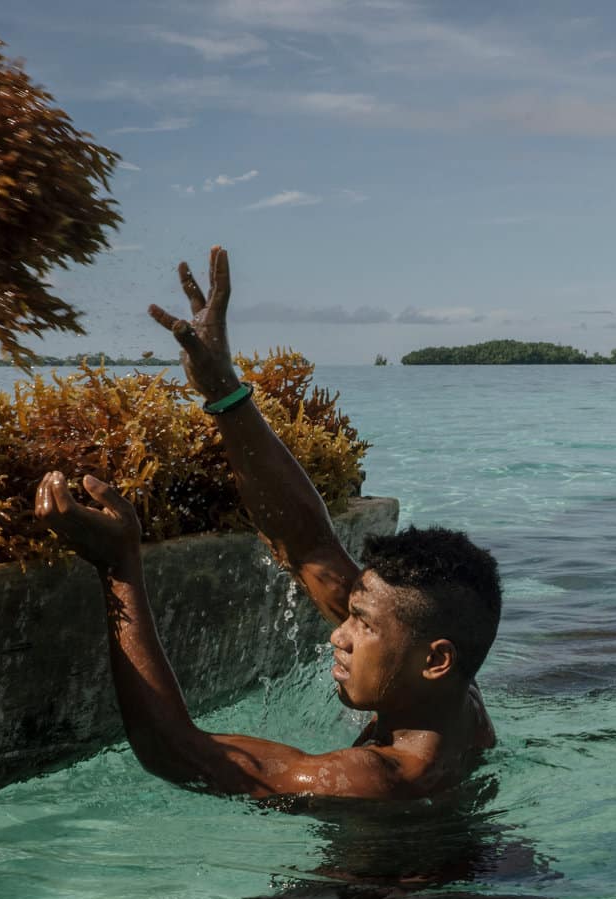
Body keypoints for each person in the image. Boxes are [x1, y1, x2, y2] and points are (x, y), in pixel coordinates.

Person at [34, 247, 500, 802]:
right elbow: (310, 547)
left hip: (378, 890)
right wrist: (224, 392)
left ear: (437, 658)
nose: (338, 635)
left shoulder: (373, 778)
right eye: (351, 616)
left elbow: (174, 750)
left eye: (364, 626)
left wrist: (118, 568)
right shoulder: (453, 697)